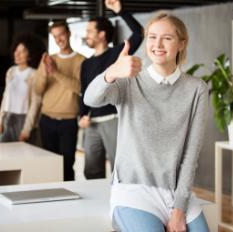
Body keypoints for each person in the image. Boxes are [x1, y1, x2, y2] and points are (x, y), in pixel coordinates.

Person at [84, 12, 209, 232]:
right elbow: (91, 98)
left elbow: (191, 154)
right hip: (133, 192)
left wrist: (179, 209)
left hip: (176, 193)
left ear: (182, 43)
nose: (157, 44)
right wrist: (112, 71)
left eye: (167, 38)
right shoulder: (129, 81)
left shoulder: (196, 88)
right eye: (152, 37)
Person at [79, 0, 143, 179]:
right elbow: (84, 91)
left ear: (102, 34)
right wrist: (82, 115)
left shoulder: (116, 54)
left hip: (113, 120)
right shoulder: (86, 63)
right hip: (92, 123)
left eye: (90, 31)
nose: (86, 35)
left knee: (119, 168)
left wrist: (120, 10)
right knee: (91, 171)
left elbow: (138, 33)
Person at [34, 21, 85, 181]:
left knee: (67, 164)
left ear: (69, 33)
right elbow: (37, 90)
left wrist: (55, 72)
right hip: (47, 119)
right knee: (50, 166)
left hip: (68, 122)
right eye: (55, 37)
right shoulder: (48, 59)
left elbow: (80, 88)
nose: (59, 39)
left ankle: (70, 203)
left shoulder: (81, 61)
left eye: (61, 35)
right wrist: (45, 70)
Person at [0, 34, 45, 145]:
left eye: (22, 51)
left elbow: (35, 104)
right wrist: (0, 120)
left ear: (30, 55)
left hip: (24, 120)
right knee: (3, 154)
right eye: (16, 50)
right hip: (8, 118)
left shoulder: (34, 74)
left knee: (24, 157)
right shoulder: (11, 71)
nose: (17, 54)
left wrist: (27, 129)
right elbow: (5, 97)